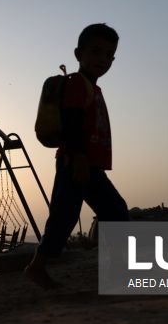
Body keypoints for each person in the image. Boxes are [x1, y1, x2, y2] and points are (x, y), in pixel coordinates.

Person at [25, 23, 129, 289]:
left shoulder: (93, 88)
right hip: (75, 162)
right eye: (95, 52)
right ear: (78, 54)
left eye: (109, 55)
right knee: (67, 217)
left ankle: (117, 269)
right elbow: (72, 120)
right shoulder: (77, 84)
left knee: (113, 210)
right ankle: (37, 266)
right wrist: (79, 157)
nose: (102, 59)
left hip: (87, 164)